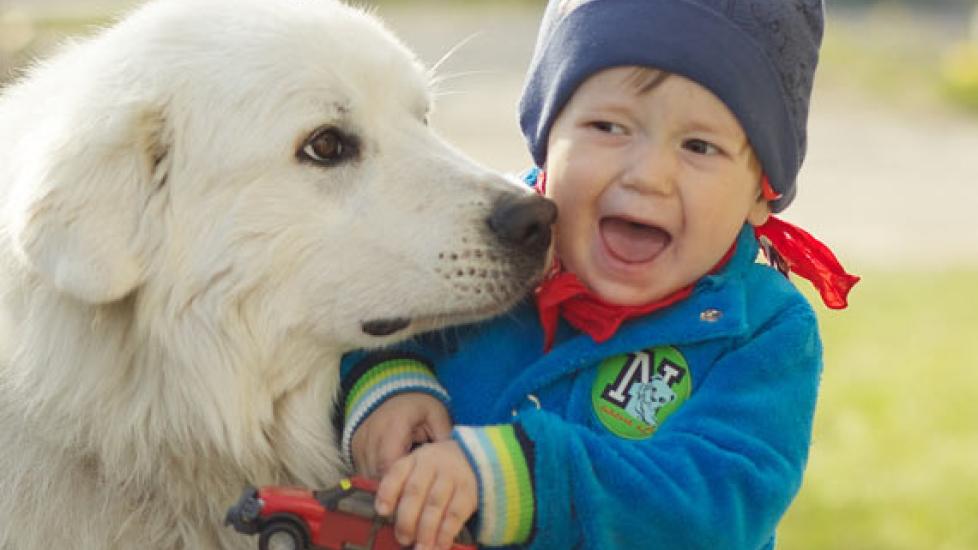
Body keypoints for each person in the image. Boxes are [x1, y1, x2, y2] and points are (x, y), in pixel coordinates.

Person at [338, 0, 859, 548]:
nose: (648, 176)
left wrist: (526, 478)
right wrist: (387, 386)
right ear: (546, 138)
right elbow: (370, 299)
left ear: (761, 193)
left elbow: (715, 503)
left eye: (699, 146)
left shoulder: (764, 332)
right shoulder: (493, 237)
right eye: (608, 126)